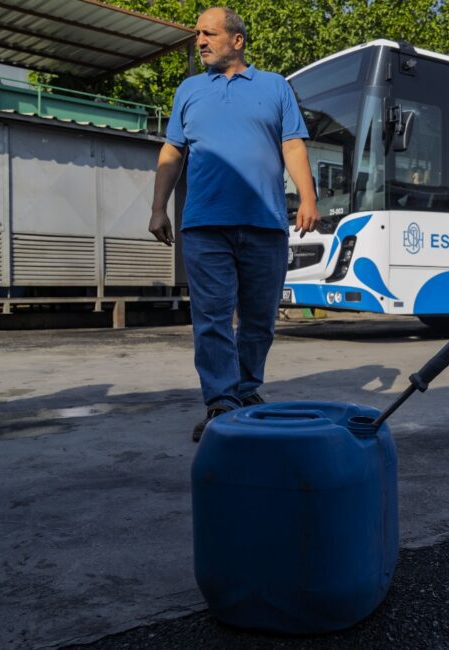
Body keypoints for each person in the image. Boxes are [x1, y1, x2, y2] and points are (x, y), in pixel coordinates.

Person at [148, 6, 319, 442]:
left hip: (264, 223)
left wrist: (308, 196)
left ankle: (245, 389)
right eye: (197, 34)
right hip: (205, 225)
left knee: (260, 319)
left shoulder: (275, 87)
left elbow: (293, 144)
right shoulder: (188, 91)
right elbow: (172, 152)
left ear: (237, 40)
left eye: (208, 34)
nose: (199, 41)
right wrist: (158, 208)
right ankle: (221, 401)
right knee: (212, 317)